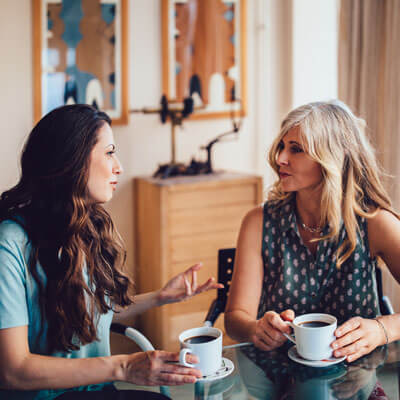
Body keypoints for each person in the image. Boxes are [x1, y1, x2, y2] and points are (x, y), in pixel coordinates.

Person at [0, 104, 222, 398]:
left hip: (99, 392)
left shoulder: (84, 225)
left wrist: (159, 297)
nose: (119, 166)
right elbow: (14, 370)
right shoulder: (10, 243)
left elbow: (87, 310)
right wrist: (124, 367)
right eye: (109, 152)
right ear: (72, 161)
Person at [225, 100, 400, 364]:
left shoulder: (375, 223)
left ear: (332, 158)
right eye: (282, 146)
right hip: (274, 377)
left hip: (354, 381)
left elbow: (385, 329)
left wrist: (383, 328)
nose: (280, 158)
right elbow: (235, 318)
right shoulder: (258, 222)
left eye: (296, 149)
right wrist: (255, 329)